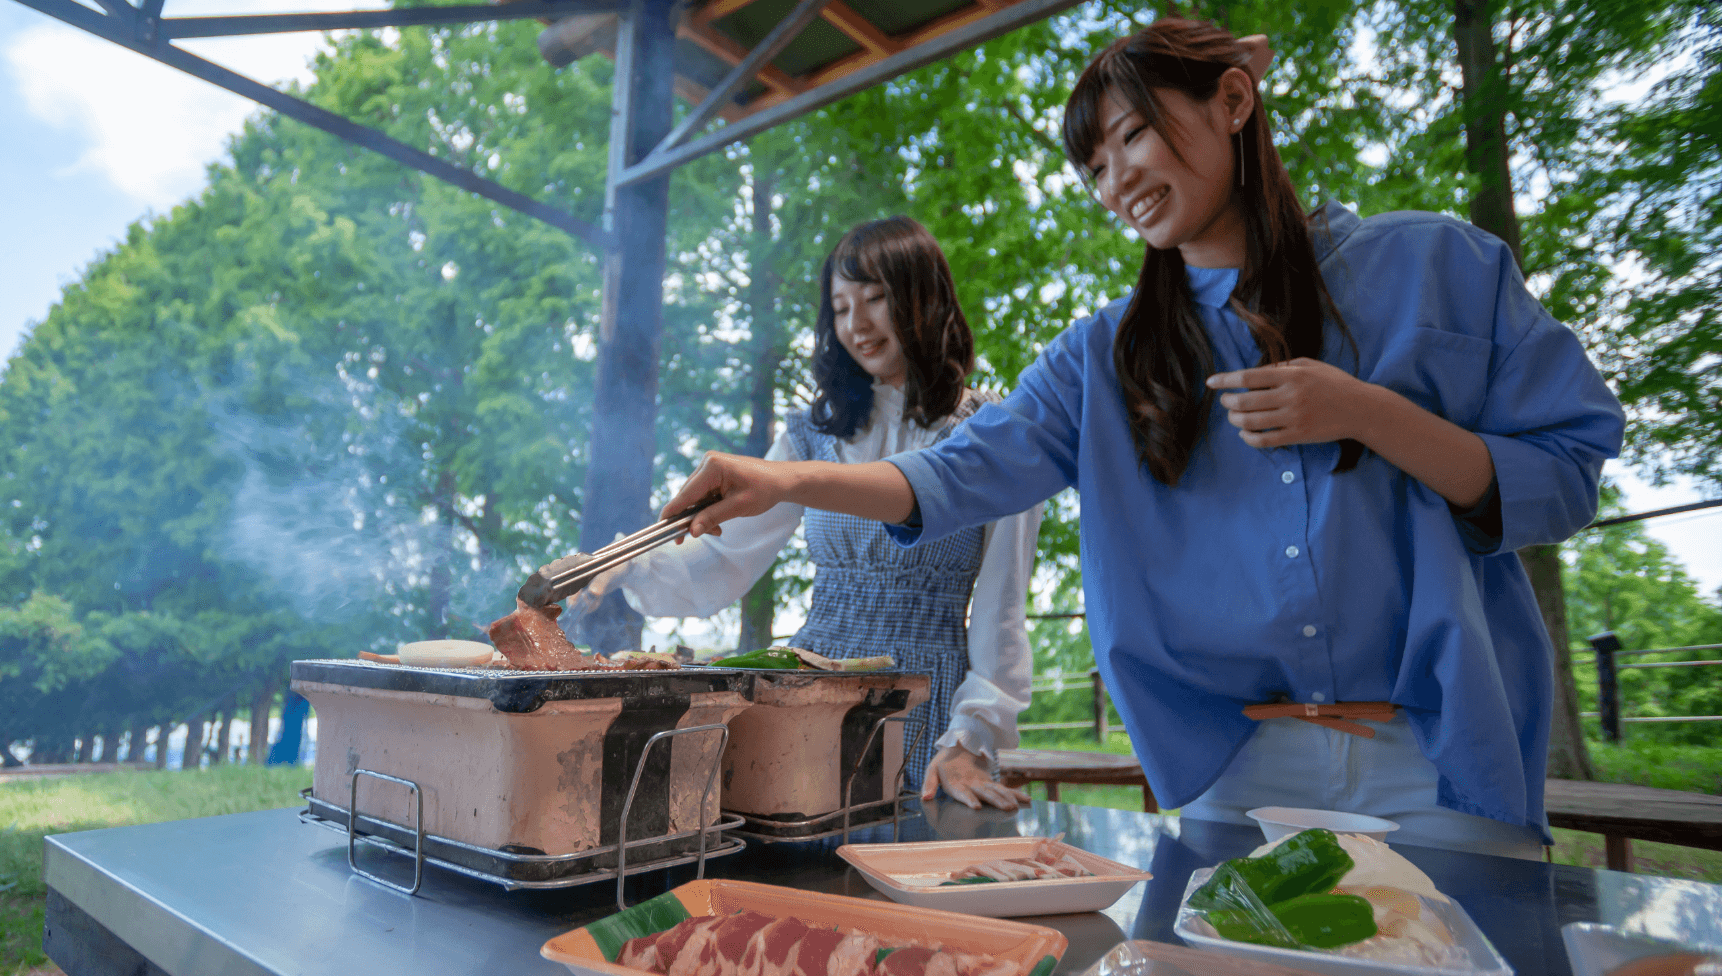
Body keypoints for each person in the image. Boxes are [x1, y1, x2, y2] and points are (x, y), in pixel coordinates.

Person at [654, 19, 1624, 858]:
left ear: (1233, 101)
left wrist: (1370, 414)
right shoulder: (1098, 359)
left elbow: (1569, 470)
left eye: (1132, 136)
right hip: (1232, 776)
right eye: (1094, 166)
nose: (1117, 179)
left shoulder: (1437, 266)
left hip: (1445, 762)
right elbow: (949, 477)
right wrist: (780, 480)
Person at [578, 216, 1041, 811]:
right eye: (841, 308)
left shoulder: (992, 435)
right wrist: (631, 564)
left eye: (876, 299)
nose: (858, 325)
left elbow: (1002, 611)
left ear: (925, 300)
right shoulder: (810, 435)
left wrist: (973, 737)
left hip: (929, 704)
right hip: (807, 690)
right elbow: (724, 557)